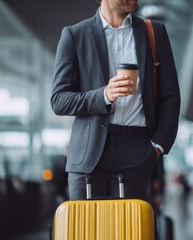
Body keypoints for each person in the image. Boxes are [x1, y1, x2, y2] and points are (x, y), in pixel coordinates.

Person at [51, 0, 180, 201]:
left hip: (137, 151)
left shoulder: (154, 32)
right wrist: (104, 95)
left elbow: (170, 94)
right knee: (85, 230)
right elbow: (59, 100)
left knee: (129, 230)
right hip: (87, 153)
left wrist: (159, 145)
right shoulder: (75, 35)